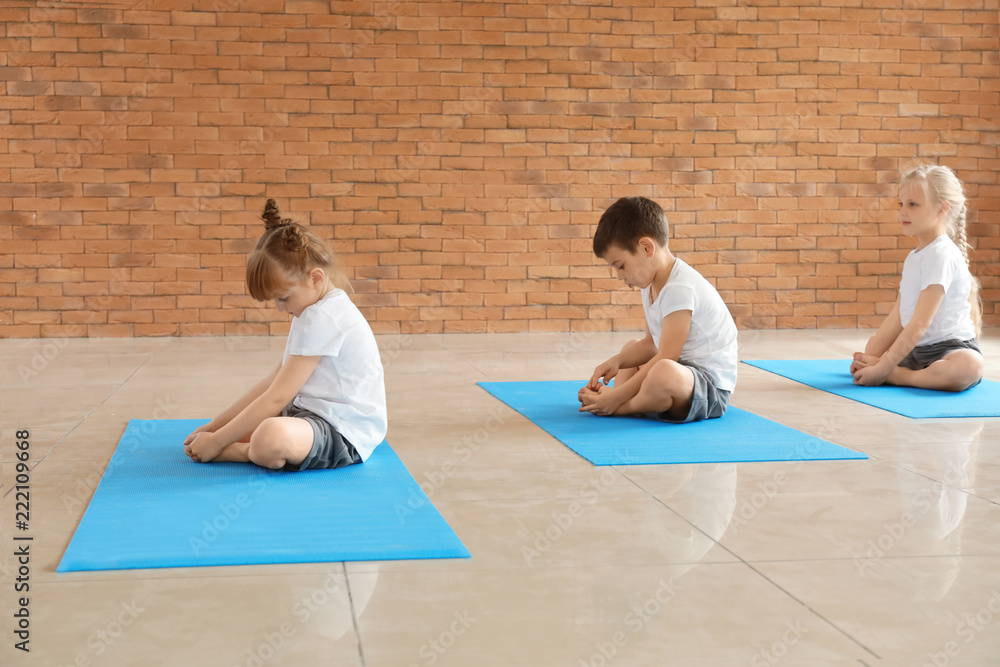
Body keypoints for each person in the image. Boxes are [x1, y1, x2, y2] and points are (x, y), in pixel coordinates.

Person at [183, 199, 387, 470]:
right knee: (254, 423)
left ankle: (243, 452)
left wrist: (218, 442)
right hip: (306, 414)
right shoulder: (311, 309)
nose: (281, 309)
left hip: (343, 430)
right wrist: (214, 426)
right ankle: (247, 444)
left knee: (269, 436)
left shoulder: (323, 317)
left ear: (315, 278)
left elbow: (277, 397)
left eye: (283, 298)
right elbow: (273, 382)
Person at [578, 196, 738, 422]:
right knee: (631, 348)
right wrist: (617, 361)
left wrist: (618, 395)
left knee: (664, 370)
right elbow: (652, 343)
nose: (619, 276)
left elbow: (667, 356)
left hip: (707, 389)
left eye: (621, 266)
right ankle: (619, 400)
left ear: (646, 248)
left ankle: (621, 405)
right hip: (677, 373)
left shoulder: (679, 288)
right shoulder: (650, 282)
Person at [850, 165, 984, 392]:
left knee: (968, 367)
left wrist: (884, 368)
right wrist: (871, 356)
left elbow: (921, 323)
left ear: (942, 208)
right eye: (901, 204)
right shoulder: (914, 257)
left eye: (913, 205)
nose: (903, 211)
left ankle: (899, 376)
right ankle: (907, 371)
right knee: (870, 349)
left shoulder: (941, 254)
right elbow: (898, 315)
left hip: (949, 349)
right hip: (916, 350)